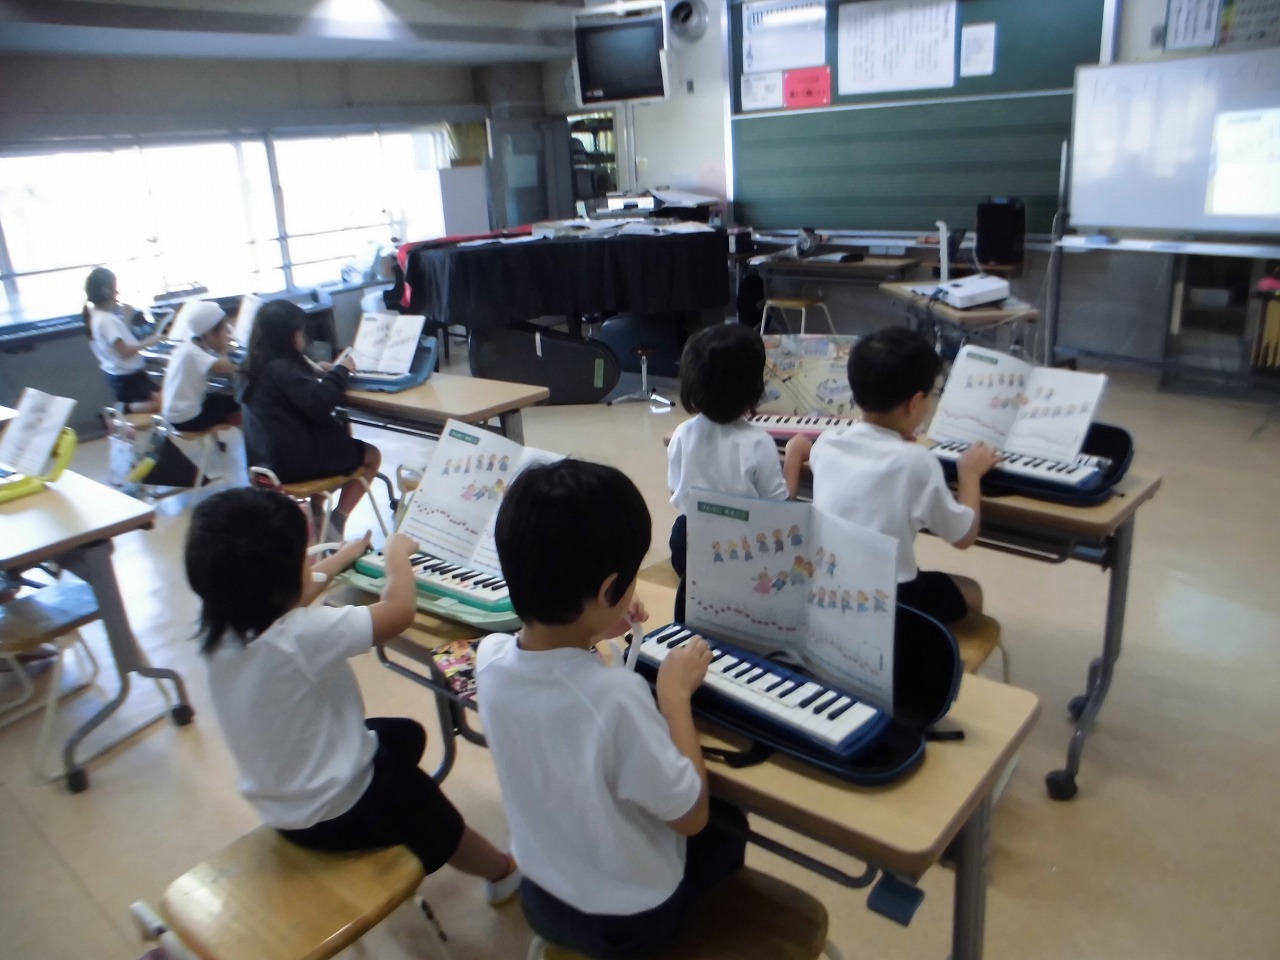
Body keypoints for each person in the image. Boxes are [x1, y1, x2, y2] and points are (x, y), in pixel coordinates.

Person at [183, 486, 520, 903]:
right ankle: (502, 872)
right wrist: (396, 556)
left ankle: (395, 808)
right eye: (304, 558)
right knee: (431, 811)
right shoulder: (300, 637)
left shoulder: (221, 624)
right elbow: (398, 612)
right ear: (283, 581)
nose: (310, 564)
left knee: (405, 734)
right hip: (339, 807)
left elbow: (294, 597)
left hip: (284, 802)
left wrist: (343, 557)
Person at [476, 459, 748, 959]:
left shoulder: (488, 660)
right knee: (727, 827)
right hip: (628, 925)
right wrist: (673, 698)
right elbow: (691, 817)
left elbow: (560, 677)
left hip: (542, 899)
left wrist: (596, 626)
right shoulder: (616, 697)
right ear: (607, 590)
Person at [794, 326, 1000, 624]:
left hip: (828, 589)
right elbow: (963, 536)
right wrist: (970, 474)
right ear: (915, 404)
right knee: (972, 591)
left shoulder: (826, 444)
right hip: (891, 604)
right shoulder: (917, 461)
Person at [666, 323, 807, 621]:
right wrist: (794, 457)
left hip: (687, 543)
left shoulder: (681, 433)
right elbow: (781, 510)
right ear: (752, 387)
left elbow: (675, 489)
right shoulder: (757, 442)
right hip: (742, 553)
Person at [236, 299, 381, 540]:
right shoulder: (283, 368)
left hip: (265, 463)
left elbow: (285, 386)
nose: (303, 337)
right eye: (300, 332)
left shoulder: (251, 364)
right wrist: (341, 371)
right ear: (288, 336)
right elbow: (321, 402)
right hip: (294, 465)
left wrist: (312, 371)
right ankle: (338, 520)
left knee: (330, 447)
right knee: (372, 455)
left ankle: (317, 513)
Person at [83, 267, 163, 414]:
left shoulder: (98, 316)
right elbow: (124, 351)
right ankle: (121, 410)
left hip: (121, 375)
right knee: (164, 403)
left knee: (164, 399)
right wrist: (152, 340)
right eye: (115, 288)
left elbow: (117, 342)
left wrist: (127, 319)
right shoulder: (106, 320)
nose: (117, 293)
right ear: (106, 291)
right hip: (127, 377)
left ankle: (122, 409)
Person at [161, 300, 242, 432]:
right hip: (186, 419)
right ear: (209, 334)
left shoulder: (187, 347)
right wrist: (224, 349)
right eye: (224, 330)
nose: (227, 334)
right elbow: (229, 367)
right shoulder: (193, 353)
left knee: (226, 400)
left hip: (175, 413)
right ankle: (226, 437)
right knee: (236, 403)